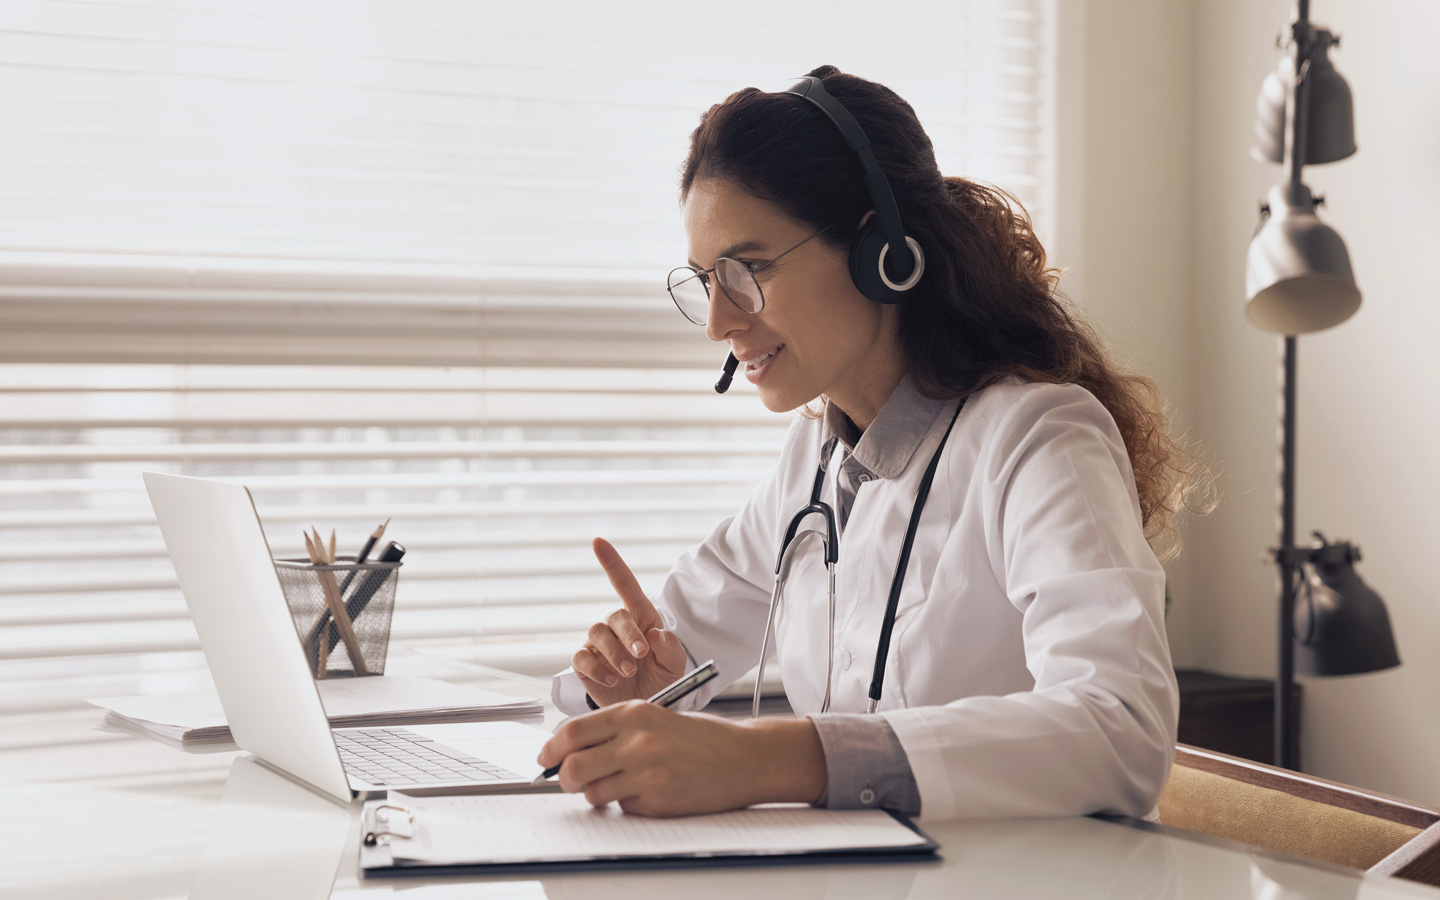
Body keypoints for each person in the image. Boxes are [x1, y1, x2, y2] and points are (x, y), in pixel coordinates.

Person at [537, 66, 1209, 820]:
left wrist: (773, 757)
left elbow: (1121, 728)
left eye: (747, 270)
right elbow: (657, 655)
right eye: (704, 281)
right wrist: (627, 689)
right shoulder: (814, 463)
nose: (719, 323)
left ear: (879, 251)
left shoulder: (1037, 438)